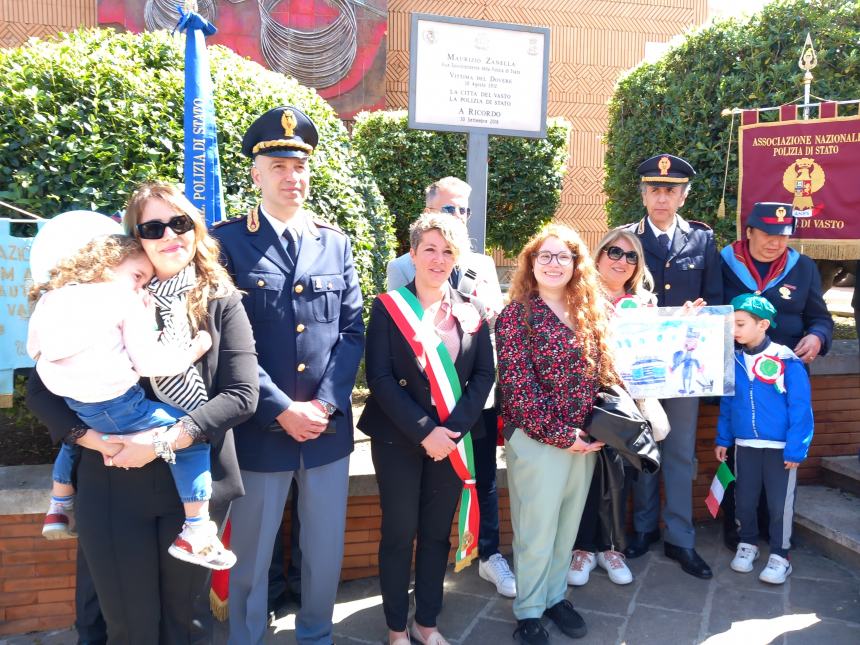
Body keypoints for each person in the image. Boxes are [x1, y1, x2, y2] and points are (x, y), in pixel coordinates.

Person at [26, 181, 259, 644]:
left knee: (185, 625)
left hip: (191, 486)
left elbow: (241, 394)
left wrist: (160, 441)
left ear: (195, 229)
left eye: (180, 223)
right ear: (135, 238)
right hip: (113, 476)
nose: (171, 235)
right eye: (154, 227)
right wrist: (96, 440)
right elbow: (41, 389)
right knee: (128, 626)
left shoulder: (221, 300)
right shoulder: (100, 294)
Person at [212, 105, 365, 645]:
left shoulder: (336, 242)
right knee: (250, 554)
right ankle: (247, 638)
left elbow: (351, 333)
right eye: (278, 166)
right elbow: (228, 344)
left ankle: (316, 636)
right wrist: (283, 408)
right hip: (260, 427)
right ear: (256, 174)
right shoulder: (225, 243)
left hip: (326, 432)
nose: (291, 177)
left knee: (323, 551)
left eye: (299, 167)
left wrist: (323, 405)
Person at [29, 234, 235, 568]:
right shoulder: (121, 300)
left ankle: (58, 505)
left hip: (75, 402)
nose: (140, 287)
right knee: (191, 436)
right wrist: (196, 348)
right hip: (119, 402)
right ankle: (196, 530)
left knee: (75, 438)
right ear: (107, 263)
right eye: (138, 277)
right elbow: (152, 363)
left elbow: (36, 351)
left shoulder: (52, 298)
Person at [359, 212, 495, 645]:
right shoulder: (387, 307)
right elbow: (378, 378)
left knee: (437, 534)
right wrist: (425, 432)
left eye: (448, 251)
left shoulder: (470, 312)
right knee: (399, 534)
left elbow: (483, 377)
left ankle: (428, 623)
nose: (438, 259)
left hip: (450, 443)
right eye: (430, 249)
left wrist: (451, 431)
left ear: (457, 259)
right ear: (413, 253)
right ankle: (397, 628)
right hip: (399, 440)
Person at [387, 176, 514, 598]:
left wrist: (492, 313)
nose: (458, 217)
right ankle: (423, 568)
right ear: (428, 214)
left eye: (464, 211)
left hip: (475, 396)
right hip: (427, 403)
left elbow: (492, 327)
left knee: (483, 476)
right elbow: (401, 337)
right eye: (449, 210)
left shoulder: (483, 264)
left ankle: (491, 554)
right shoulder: (403, 265)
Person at [497, 224, 615, 645]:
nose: (553, 263)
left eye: (562, 256)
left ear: (576, 263)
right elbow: (517, 387)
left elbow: (607, 370)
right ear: (530, 263)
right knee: (536, 529)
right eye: (544, 256)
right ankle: (528, 610)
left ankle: (553, 597)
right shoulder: (516, 315)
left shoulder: (588, 310)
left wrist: (599, 427)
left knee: (566, 527)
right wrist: (562, 434)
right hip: (538, 440)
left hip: (586, 440)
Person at [621, 153, 721, 580]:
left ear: (684, 195)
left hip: (685, 366)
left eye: (671, 190)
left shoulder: (701, 240)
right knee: (643, 450)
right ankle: (643, 529)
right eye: (655, 189)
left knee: (679, 453)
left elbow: (714, 302)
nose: (662, 198)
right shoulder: (624, 240)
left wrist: (698, 314)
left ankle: (681, 538)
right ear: (643, 193)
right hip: (638, 366)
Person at [719, 201, 833, 549]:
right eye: (768, 234)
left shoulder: (804, 268)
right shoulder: (723, 264)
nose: (775, 243)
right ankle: (739, 531)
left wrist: (817, 336)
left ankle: (777, 532)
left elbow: (821, 317)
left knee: (780, 459)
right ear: (749, 231)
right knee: (741, 459)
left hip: (783, 382)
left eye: (783, 236)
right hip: (738, 375)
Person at [567, 229, 655, 588]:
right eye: (615, 252)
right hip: (586, 399)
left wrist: (683, 322)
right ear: (599, 256)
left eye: (631, 256)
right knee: (586, 475)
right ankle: (583, 548)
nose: (622, 261)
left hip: (629, 403)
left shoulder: (646, 304)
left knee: (620, 474)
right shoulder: (578, 297)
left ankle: (612, 547)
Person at [715, 293, 813, 584]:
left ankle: (781, 554)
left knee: (779, 503)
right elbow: (728, 402)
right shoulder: (733, 359)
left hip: (780, 449)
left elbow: (800, 408)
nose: (734, 330)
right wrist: (724, 438)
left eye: (741, 324)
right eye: (732, 324)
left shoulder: (786, 360)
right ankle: (747, 543)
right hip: (745, 446)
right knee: (743, 499)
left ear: (763, 325)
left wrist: (796, 449)